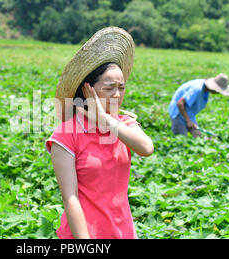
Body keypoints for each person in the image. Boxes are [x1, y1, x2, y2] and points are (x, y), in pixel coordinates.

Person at [46, 27, 154, 239]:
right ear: (88, 90)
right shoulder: (66, 135)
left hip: (123, 231)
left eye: (121, 87)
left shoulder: (124, 124)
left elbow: (146, 148)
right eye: (109, 88)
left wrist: (104, 119)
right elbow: (70, 198)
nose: (117, 94)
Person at [168, 73, 229, 137]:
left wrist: (190, 121)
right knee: (182, 139)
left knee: (198, 136)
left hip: (189, 114)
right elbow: (180, 103)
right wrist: (188, 121)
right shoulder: (197, 89)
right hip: (178, 113)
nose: (219, 93)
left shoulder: (205, 90)